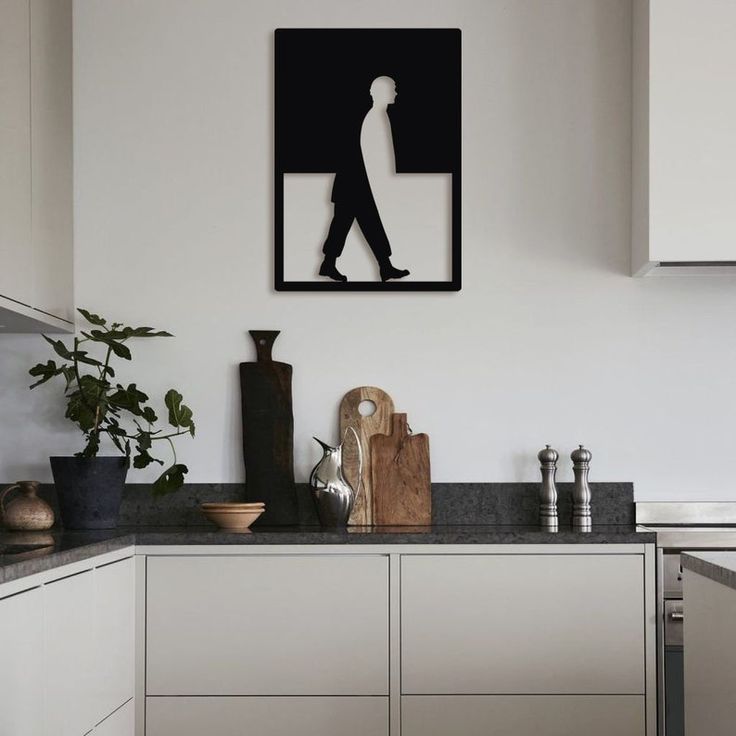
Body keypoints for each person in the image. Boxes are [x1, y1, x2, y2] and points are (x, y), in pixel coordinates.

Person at [319, 76, 410, 283]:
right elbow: (362, 153)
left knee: (348, 223)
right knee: (361, 223)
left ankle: (331, 263)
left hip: (353, 182)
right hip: (355, 182)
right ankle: (382, 266)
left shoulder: (371, 115)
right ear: (378, 93)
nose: (395, 93)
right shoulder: (368, 117)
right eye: (392, 89)